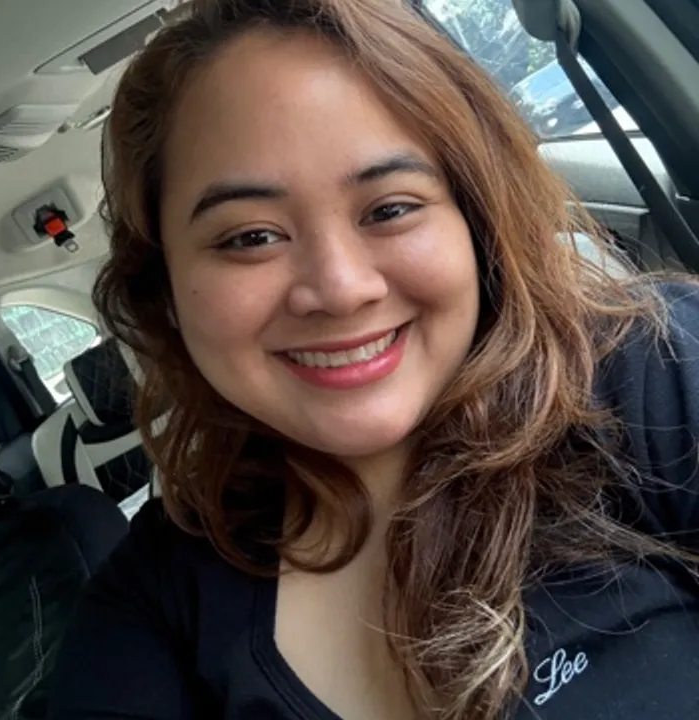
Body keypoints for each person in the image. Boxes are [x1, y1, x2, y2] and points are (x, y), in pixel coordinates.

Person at [48, 1, 699, 719]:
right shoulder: (150, 608)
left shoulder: (653, 367)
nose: (340, 289)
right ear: (166, 289)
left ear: (476, 220)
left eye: (389, 209)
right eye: (250, 237)